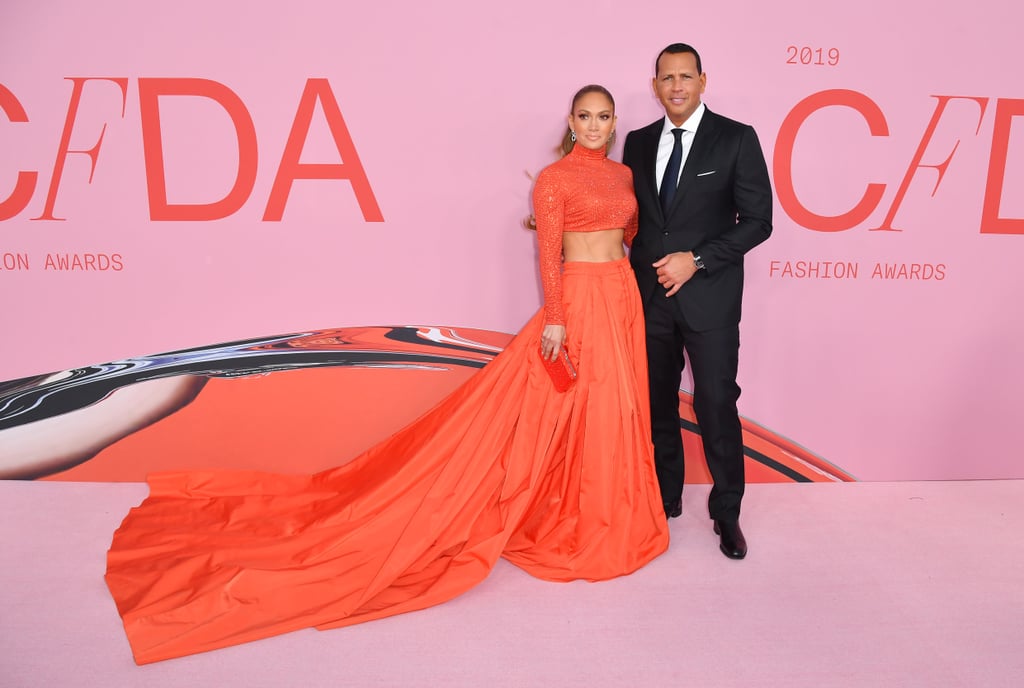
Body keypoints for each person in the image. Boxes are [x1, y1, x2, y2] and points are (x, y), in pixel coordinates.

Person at [104, 84, 669, 664]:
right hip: (575, 302)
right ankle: (573, 516)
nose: (595, 125)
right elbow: (548, 252)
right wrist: (554, 318)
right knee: (567, 406)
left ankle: (600, 509)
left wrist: (629, 279)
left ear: (615, 121)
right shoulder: (554, 179)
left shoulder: (624, 178)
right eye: (585, 116)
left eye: (604, 116)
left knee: (613, 409)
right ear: (570, 121)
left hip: (619, 297)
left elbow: (627, 236)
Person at [622, 43, 773, 560]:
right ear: (655, 85)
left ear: (703, 81)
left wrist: (699, 260)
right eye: (667, 78)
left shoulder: (736, 139)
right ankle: (665, 499)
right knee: (657, 405)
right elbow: (636, 221)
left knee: (715, 403)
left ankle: (726, 511)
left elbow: (758, 222)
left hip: (709, 298)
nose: (677, 86)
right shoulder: (638, 144)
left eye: (687, 76)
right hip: (650, 300)